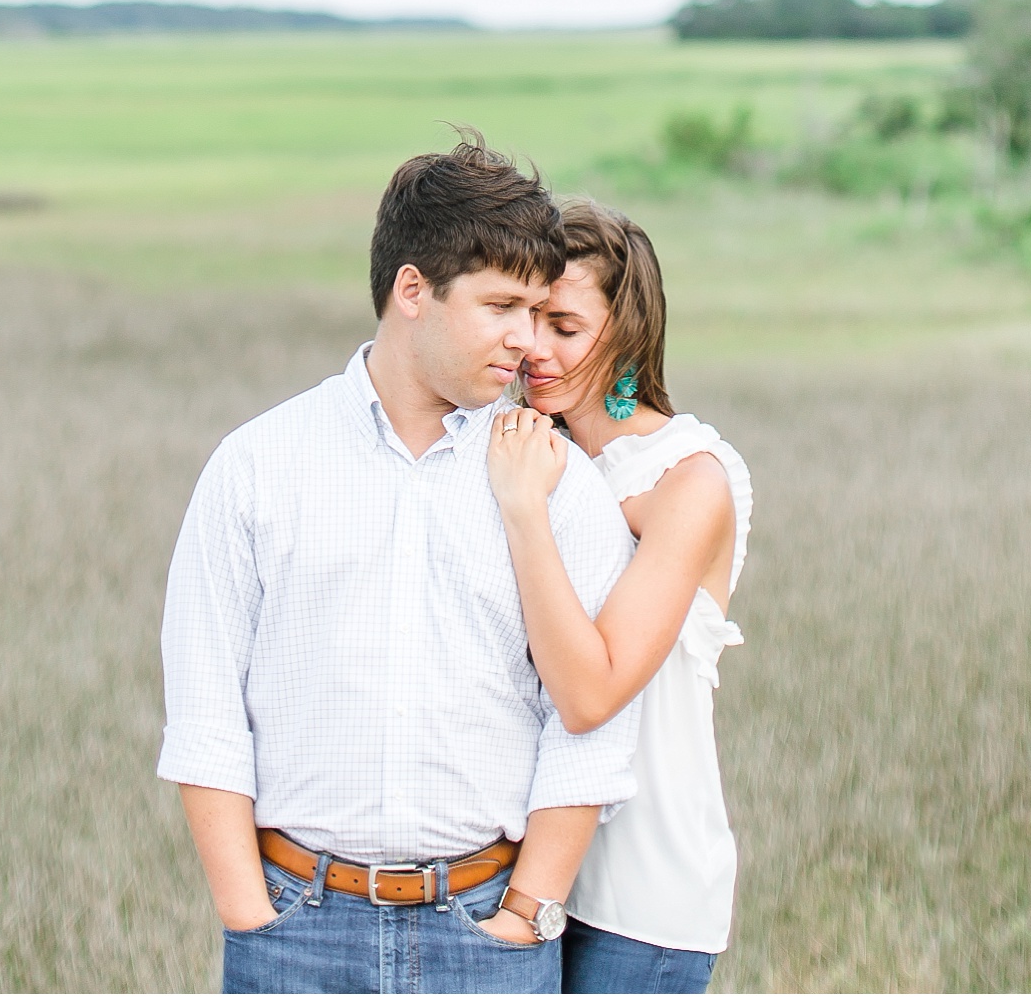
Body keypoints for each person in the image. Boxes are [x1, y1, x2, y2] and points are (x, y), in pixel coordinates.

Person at [158, 136, 644, 995]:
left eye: (539, 310)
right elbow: (205, 709)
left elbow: (587, 727)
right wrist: (251, 919)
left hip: (487, 927)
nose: (528, 341)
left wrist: (524, 915)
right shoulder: (258, 464)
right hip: (295, 928)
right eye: (502, 306)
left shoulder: (558, 484)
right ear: (412, 289)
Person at [486, 202, 752, 995]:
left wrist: (527, 509)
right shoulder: (526, 449)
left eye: (563, 325)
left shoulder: (690, 480)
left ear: (626, 331)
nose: (535, 347)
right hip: (514, 874)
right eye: (527, 318)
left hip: (642, 902)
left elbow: (591, 691)